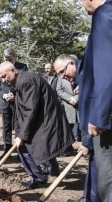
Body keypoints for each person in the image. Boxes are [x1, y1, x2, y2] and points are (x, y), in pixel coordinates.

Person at [0, 61, 73, 189]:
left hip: (44, 119)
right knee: (44, 146)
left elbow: (30, 109)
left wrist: (22, 135)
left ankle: (37, 178)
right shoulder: (23, 79)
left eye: (5, 76)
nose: (4, 80)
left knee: (23, 148)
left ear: (13, 71)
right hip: (44, 118)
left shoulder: (26, 81)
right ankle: (53, 171)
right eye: (1, 78)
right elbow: (29, 102)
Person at [54, 54, 101, 202]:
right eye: (59, 74)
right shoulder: (82, 76)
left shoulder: (88, 73)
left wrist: (87, 142)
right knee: (94, 165)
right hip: (94, 130)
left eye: (62, 71)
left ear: (72, 63)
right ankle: (86, 199)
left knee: (99, 167)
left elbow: (96, 109)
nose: (62, 76)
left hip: (99, 129)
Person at [0, 48, 28, 157]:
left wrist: (15, 95)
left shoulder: (22, 67)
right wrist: (4, 95)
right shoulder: (0, 68)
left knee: (18, 125)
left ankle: (19, 150)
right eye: (5, 58)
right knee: (6, 126)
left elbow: (24, 82)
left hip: (17, 101)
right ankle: (7, 148)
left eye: (9, 58)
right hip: (4, 102)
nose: (7, 60)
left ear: (15, 56)